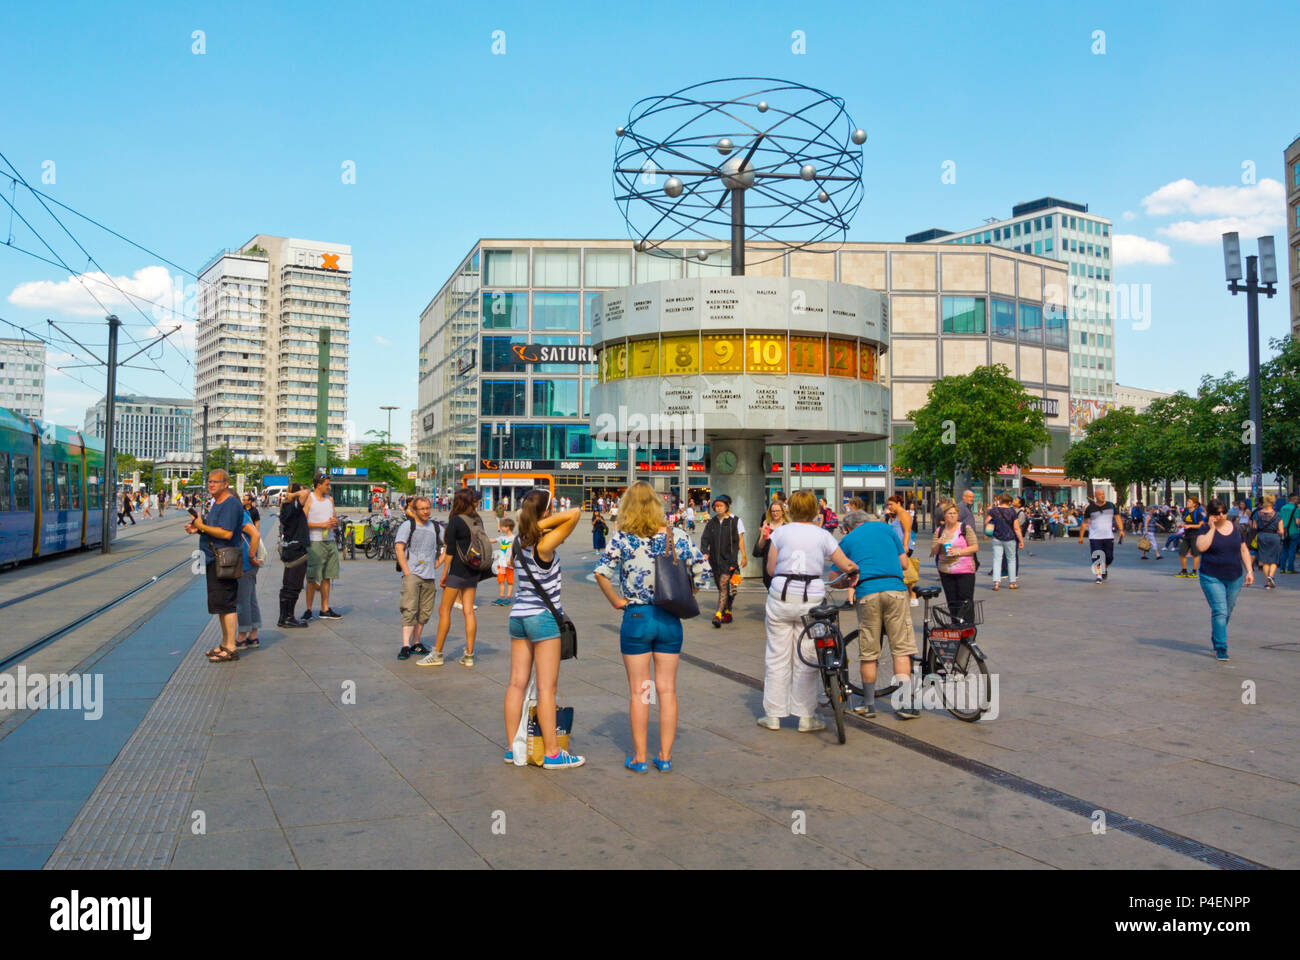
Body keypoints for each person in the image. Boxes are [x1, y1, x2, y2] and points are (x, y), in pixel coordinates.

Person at [594, 481, 709, 773]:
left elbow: (601, 573)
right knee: (668, 690)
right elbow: (703, 572)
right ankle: (666, 756)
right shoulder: (677, 535)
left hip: (637, 619)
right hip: (669, 619)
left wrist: (617, 602)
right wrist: (686, 596)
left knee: (641, 690)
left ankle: (640, 757)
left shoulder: (623, 538)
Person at [758, 490, 859, 732]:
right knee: (808, 656)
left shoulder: (780, 532)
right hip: (811, 600)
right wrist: (855, 569)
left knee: (777, 656)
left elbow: (771, 569)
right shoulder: (822, 535)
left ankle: (773, 715)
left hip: (781, 595)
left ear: (790, 509)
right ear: (815, 510)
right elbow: (844, 564)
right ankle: (805, 716)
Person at [502, 489, 584, 769]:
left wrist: (530, 525)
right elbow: (574, 514)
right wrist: (539, 525)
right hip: (543, 618)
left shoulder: (517, 543)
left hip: (518, 617)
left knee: (516, 683)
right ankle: (552, 753)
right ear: (546, 513)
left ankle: (514, 748)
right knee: (547, 688)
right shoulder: (544, 546)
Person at [837, 508, 916, 719]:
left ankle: (869, 705)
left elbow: (836, 578)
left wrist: (846, 581)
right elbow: (904, 563)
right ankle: (905, 705)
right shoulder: (886, 528)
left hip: (867, 592)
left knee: (869, 652)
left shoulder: (847, 540)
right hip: (895, 590)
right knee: (901, 649)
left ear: (847, 528)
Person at [420, 488, 493, 666]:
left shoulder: (455, 521)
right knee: (468, 611)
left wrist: (444, 575)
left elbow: (450, 551)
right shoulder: (477, 519)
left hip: (458, 572)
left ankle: (437, 653)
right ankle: (469, 655)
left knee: (444, 610)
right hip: (474, 571)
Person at [185, 470, 244, 663]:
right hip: (214, 559)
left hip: (224, 560)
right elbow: (213, 531)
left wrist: (202, 527)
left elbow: (226, 533)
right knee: (220, 604)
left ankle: (231, 647)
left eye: (215, 482)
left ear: (226, 484)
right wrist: (197, 529)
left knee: (227, 603)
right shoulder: (216, 503)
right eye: (209, 482)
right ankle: (225, 643)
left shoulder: (231, 504)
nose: (211, 485)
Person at [1194, 499, 1254, 661]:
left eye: (1223, 512)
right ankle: (1221, 647)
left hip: (1234, 576)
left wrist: (1249, 570)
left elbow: (1243, 549)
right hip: (1211, 576)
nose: (1221, 516)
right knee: (1220, 610)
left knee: (1227, 610)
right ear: (1210, 515)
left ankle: (1217, 634)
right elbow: (1201, 547)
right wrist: (1213, 529)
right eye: (1217, 513)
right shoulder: (1205, 528)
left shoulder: (1236, 528)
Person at [395, 497, 441, 660]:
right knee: (409, 609)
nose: (426, 511)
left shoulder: (435, 527)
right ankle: (405, 645)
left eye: (428, 508)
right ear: (414, 510)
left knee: (424, 612)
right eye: (422, 509)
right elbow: (399, 548)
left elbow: (448, 544)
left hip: (429, 576)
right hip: (412, 575)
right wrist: (407, 571)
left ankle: (416, 642)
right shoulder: (408, 526)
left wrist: (438, 562)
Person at [700, 494, 746, 628]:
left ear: (727, 506)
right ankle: (727, 610)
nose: (718, 508)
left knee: (723, 585)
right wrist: (705, 552)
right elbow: (705, 539)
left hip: (728, 561)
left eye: (721, 506)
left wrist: (740, 558)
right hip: (715, 561)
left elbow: (738, 542)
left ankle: (718, 614)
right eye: (716, 506)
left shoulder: (734, 521)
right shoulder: (712, 522)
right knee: (722, 588)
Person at [302, 474, 343, 621]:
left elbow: (335, 518)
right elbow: (302, 522)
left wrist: (334, 523)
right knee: (312, 577)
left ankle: (325, 608)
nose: (329, 487)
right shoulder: (309, 499)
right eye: (327, 484)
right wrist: (321, 525)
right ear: (318, 485)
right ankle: (308, 609)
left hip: (329, 540)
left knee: (327, 576)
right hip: (315, 541)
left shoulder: (329, 499)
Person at [931, 504, 979, 622]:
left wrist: (958, 551)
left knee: (965, 601)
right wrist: (939, 544)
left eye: (954, 513)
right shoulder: (939, 530)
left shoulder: (965, 528)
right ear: (944, 515)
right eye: (949, 513)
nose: (952, 516)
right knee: (952, 602)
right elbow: (933, 552)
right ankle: (956, 629)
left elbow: (975, 547)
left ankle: (967, 631)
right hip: (946, 571)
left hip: (965, 570)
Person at [276, 483, 312, 627]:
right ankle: (288, 618)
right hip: (297, 550)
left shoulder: (286, 507)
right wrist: (294, 495)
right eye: (300, 489)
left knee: (287, 585)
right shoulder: (294, 506)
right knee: (293, 585)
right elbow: (306, 493)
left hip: (290, 548)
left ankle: (283, 617)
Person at [234, 501, 264, 649]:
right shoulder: (242, 513)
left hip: (245, 563)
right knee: (250, 598)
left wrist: (251, 555)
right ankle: (253, 634)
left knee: (242, 600)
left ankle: (242, 636)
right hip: (247, 563)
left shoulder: (239, 514)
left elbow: (256, 534)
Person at [1079, 488, 1121, 584]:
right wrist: (1081, 536)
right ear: (1096, 496)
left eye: (1103, 494)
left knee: (1109, 557)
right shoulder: (1090, 508)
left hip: (1108, 536)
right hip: (1095, 537)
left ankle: (1104, 569)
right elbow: (1085, 522)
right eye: (1100, 494)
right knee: (1097, 556)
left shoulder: (1111, 505)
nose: (1103, 496)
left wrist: (1121, 530)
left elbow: (1117, 517)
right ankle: (1098, 576)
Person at [985, 493, 1023, 590]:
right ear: (1009, 502)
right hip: (1010, 538)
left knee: (997, 560)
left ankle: (996, 583)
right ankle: (1012, 583)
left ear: (1000, 500)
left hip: (997, 538)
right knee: (1011, 560)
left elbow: (986, 522)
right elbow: (1016, 528)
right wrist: (1021, 540)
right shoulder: (1012, 512)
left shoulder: (994, 510)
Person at [751, 500, 789, 592]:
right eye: (773, 511)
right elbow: (757, 550)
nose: (775, 513)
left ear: (782, 512)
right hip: (768, 563)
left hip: (783, 563)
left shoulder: (787, 526)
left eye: (777, 511)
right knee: (771, 589)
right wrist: (763, 537)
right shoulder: (766, 526)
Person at [1250, 494, 1283, 589]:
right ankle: (1271, 576)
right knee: (1274, 559)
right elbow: (1281, 531)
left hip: (1261, 536)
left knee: (1264, 560)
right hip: (1274, 536)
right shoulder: (1277, 515)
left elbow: (1254, 527)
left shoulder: (1257, 513)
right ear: (1273, 503)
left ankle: (1268, 583)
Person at [1176, 495, 1205, 578]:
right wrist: (1182, 525)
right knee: (1182, 553)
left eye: (1189, 502)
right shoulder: (1186, 512)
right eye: (1187, 501)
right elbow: (1186, 522)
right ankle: (1184, 570)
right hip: (1187, 535)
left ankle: (1194, 571)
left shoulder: (1198, 513)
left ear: (1194, 504)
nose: (1187, 503)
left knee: (1195, 554)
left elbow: (1201, 525)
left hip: (1195, 536)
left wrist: (1190, 526)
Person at [493, 517, 517, 606]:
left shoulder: (514, 538)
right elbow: (493, 540)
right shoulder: (502, 537)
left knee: (510, 581)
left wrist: (511, 560)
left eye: (502, 526)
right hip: (501, 563)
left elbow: (515, 550)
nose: (501, 528)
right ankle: (501, 597)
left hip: (509, 564)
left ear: (507, 527)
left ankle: (508, 598)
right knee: (501, 580)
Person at [1280, 492, 1300, 575]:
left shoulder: (1283, 508)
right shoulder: (1296, 509)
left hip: (1284, 532)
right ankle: (1290, 569)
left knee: (1284, 549)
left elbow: (1280, 520)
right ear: (1295, 499)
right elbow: (1297, 521)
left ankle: (1282, 568)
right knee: (1292, 550)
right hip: (1293, 531)